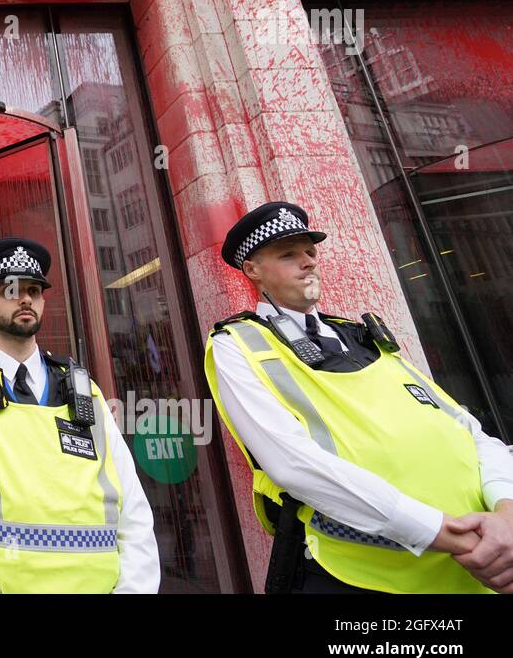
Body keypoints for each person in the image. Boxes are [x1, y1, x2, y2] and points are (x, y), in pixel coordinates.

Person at [205, 201, 513, 593]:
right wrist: (442, 533)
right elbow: (293, 465)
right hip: (369, 576)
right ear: (252, 270)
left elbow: (465, 428)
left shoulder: (363, 334)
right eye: (288, 254)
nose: (308, 262)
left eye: (311, 252)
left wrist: (506, 511)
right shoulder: (238, 344)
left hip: (482, 560)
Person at [0, 237, 160, 593]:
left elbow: (131, 509)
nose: (26, 298)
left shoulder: (82, 388)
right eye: (10, 290)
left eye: (34, 290)